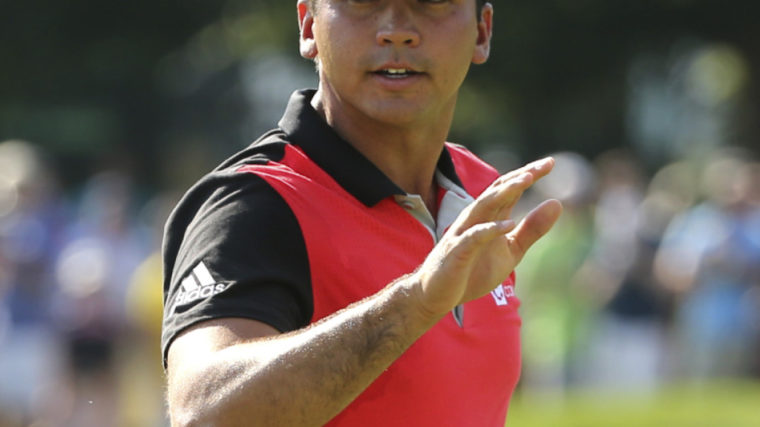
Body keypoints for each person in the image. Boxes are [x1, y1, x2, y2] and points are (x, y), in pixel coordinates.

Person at [161, 1, 562, 426]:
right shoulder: (255, 204)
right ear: (309, 26)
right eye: (362, 2)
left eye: (432, 2)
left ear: (481, 32)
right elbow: (204, 415)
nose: (397, 30)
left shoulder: (479, 186)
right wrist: (415, 304)